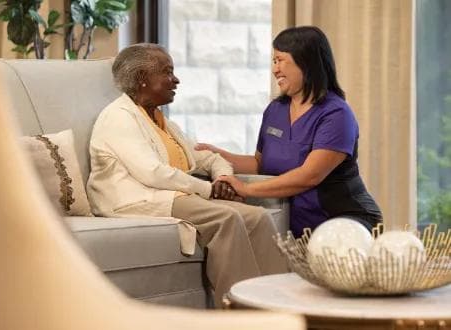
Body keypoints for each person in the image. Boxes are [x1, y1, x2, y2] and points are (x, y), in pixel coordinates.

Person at [86, 43, 287, 308]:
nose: (176, 79)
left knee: (257, 217)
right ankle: (242, 316)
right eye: (167, 72)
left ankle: (282, 309)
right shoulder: (118, 118)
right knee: (226, 217)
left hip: (174, 194)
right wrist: (209, 191)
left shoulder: (160, 120)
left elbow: (208, 156)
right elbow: (153, 173)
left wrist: (221, 179)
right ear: (142, 80)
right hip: (137, 199)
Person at [196, 26, 382, 237]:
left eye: (280, 60)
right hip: (295, 228)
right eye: (273, 62)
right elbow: (260, 164)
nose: (275, 70)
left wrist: (246, 189)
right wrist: (215, 154)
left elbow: (309, 176)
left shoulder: (336, 114)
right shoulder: (275, 110)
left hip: (343, 222)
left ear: (306, 61)